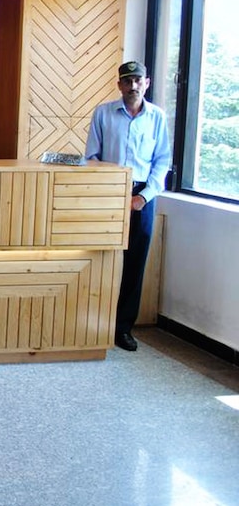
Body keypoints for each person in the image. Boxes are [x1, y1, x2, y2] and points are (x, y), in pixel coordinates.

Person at [85, 60, 171, 352]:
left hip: (142, 195)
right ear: (119, 84)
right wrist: (109, 190)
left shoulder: (157, 117)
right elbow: (92, 156)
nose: (133, 86)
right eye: (127, 81)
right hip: (108, 192)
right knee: (101, 258)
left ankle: (122, 329)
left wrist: (143, 197)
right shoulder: (103, 113)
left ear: (146, 83)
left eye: (138, 80)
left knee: (134, 263)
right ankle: (92, 324)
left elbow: (162, 161)